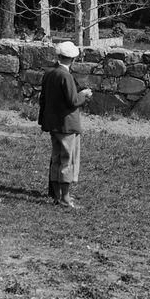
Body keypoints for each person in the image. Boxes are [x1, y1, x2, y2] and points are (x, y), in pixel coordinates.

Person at [38, 42, 93, 209]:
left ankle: (57, 195)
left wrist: (43, 121)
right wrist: (83, 94)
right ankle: (65, 198)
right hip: (66, 125)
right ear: (73, 60)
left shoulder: (49, 74)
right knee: (67, 161)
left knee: (56, 159)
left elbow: (43, 100)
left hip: (52, 124)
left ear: (59, 56)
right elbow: (73, 101)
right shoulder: (66, 76)